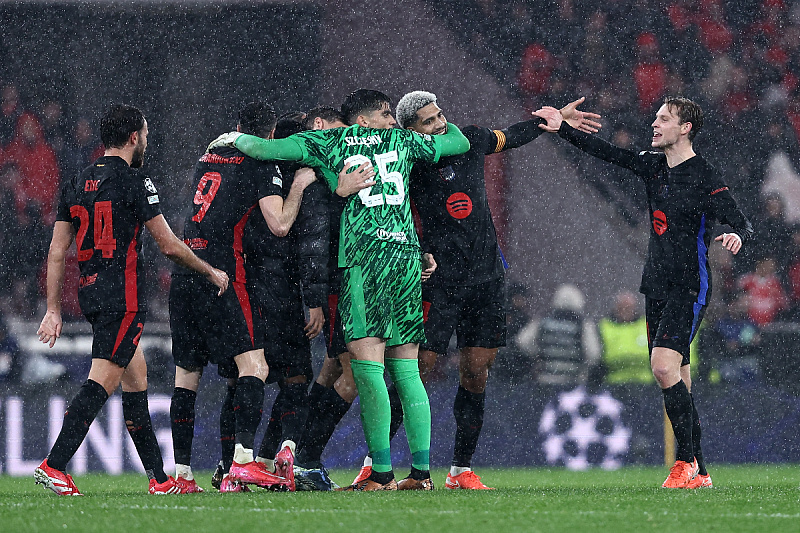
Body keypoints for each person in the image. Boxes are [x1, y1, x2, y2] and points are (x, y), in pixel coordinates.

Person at [208, 88, 470, 491]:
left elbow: (266, 150)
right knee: (406, 370)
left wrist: (232, 139)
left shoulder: (331, 141)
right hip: (405, 260)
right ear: (363, 120)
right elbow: (459, 141)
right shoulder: (404, 141)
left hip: (365, 263)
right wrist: (443, 121)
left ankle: (381, 475)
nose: (391, 119)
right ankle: (420, 474)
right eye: (385, 113)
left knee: (369, 371)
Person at [379, 90, 601, 489]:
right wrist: (419, 251)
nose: (440, 123)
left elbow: (512, 136)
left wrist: (550, 120)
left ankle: (460, 470)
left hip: (485, 280)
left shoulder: (470, 139)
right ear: (411, 131)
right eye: (428, 122)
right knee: (418, 370)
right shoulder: (405, 162)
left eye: (439, 114)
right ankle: (375, 466)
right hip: (437, 281)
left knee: (476, 372)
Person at [536, 96, 754, 489]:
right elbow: (604, 152)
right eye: (655, 117)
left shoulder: (704, 174)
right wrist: (562, 128)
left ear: (685, 128)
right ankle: (700, 472)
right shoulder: (653, 166)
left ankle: (683, 462)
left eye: (664, 119)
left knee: (662, 368)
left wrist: (736, 233)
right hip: (655, 285)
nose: (654, 124)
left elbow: (740, 220)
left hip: (690, 286)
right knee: (679, 380)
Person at [34, 104, 229, 496]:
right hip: (122, 296)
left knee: (135, 378)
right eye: (145, 134)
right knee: (101, 379)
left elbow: (57, 251)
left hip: (90, 292)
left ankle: (159, 479)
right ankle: (54, 465)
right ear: (134, 137)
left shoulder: (77, 180)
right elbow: (170, 245)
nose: (146, 141)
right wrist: (210, 271)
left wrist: (53, 308)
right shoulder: (137, 182)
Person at [168, 102, 315, 493]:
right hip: (222, 273)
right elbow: (280, 224)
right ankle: (244, 462)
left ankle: (181, 475)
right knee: (255, 367)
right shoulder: (261, 163)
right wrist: (298, 184)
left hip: (185, 272)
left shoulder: (211, 152)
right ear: (268, 138)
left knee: (187, 377)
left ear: (237, 126)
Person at [515, 283, 601, 387]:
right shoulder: (583, 325)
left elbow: (522, 342)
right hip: (573, 382)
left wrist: (538, 353)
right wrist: (582, 367)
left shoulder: (543, 321)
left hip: (545, 380)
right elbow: (594, 354)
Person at [597, 290, 653, 385]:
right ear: (616, 309)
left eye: (629, 308)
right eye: (621, 308)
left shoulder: (646, 325)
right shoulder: (605, 326)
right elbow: (597, 356)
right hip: (615, 383)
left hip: (645, 384)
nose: (625, 312)